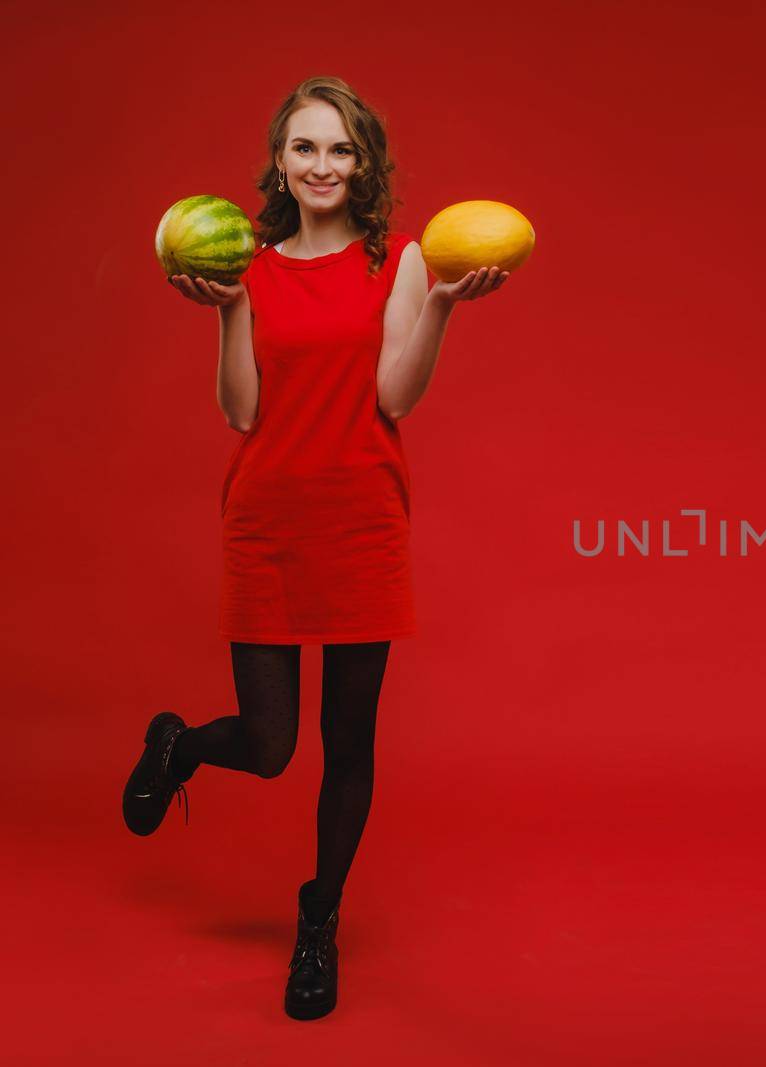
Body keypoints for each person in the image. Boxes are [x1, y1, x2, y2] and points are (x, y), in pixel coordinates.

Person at [121, 75, 510, 1021]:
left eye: (341, 149)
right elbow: (241, 411)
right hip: (266, 522)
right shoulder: (245, 266)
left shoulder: (402, 261)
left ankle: (318, 921)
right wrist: (224, 312)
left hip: (363, 522)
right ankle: (178, 744)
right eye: (306, 148)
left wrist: (444, 308)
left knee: (347, 744)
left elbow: (397, 398)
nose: (323, 165)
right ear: (280, 164)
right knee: (269, 745)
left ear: (365, 161)